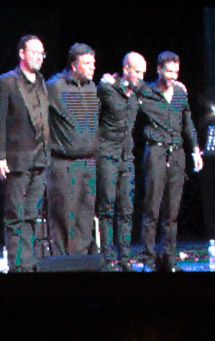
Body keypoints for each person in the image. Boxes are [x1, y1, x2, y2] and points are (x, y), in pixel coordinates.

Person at [0, 35, 51, 272]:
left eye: (42, 53)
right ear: (22, 54)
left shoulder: (42, 82)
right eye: (34, 52)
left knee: (31, 215)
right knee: (15, 214)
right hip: (16, 158)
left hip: (39, 158)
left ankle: (30, 262)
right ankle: (17, 265)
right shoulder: (7, 82)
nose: (39, 57)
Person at [138, 51, 203, 269]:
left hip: (177, 154)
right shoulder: (146, 92)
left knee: (172, 211)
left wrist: (195, 150)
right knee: (152, 209)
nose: (173, 76)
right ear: (159, 70)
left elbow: (188, 124)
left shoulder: (180, 94)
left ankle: (169, 256)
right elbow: (126, 92)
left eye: (176, 71)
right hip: (155, 152)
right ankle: (148, 257)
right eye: (169, 71)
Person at [46, 43, 100, 260]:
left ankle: (81, 262)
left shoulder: (91, 87)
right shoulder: (55, 86)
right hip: (63, 163)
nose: (92, 67)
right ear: (74, 65)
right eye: (87, 63)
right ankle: (63, 263)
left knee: (85, 217)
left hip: (88, 162)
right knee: (64, 217)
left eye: (93, 63)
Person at [96, 53, 147, 270]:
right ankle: (107, 258)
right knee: (107, 207)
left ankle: (125, 258)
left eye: (143, 72)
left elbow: (158, 94)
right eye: (138, 71)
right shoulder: (107, 88)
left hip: (127, 157)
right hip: (107, 155)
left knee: (126, 209)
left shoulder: (138, 91)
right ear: (127, 68)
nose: (141, 76)